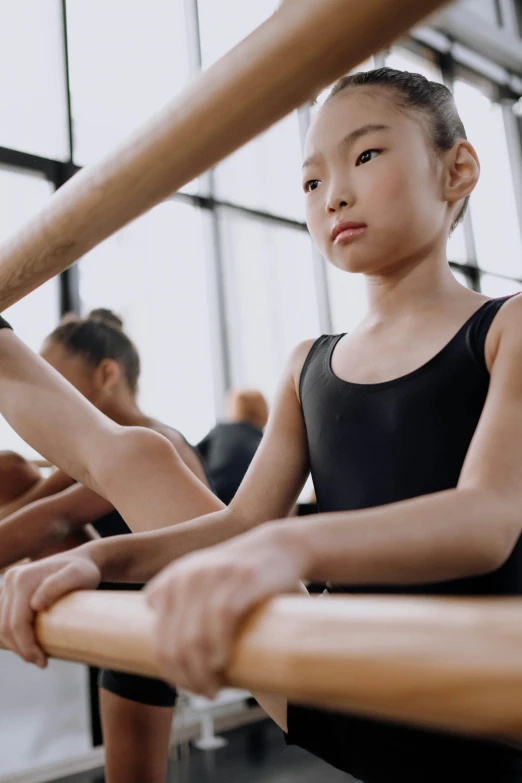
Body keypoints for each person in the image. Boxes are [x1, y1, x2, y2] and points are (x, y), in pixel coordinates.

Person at [2, 67, 522, 781]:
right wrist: (100, 559)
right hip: (335, 682)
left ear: (457, 169)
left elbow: (487, 521)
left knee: (152, 458)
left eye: (366, 155)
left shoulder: (507, 327)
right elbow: (242, 522)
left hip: (478, 704)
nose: (333, 192)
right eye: (311, 182)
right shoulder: (308, 362)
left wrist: (291, 547)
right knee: (146, 460)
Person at [0, 308, 211, 783]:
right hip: (122, 599)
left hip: (155, 612)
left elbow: (54, 518)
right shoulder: (95, 453)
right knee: (11, 469)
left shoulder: (154, 442)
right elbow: (33, 504)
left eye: (51, 377)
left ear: (107, 374)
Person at [196, 388, 268, 505]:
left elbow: (193, 456)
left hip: (214, 495)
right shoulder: (262, 440)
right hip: (247, 500)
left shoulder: (220, 430)